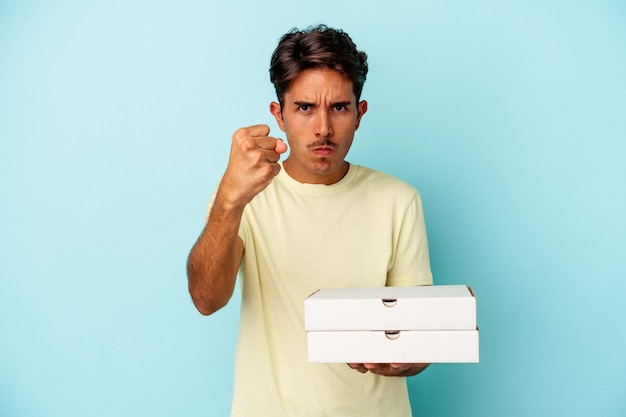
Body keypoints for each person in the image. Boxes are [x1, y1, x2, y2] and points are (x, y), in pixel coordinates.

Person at [187, 24, 433, 417]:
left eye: (338, 107)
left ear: (359, 113)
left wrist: (408, 360)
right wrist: (230, 202)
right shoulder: (242, 192)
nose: (323, 128)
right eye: (304, 108)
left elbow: (420, 339)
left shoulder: (398, 200)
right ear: (279, 115)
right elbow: (206, 299)